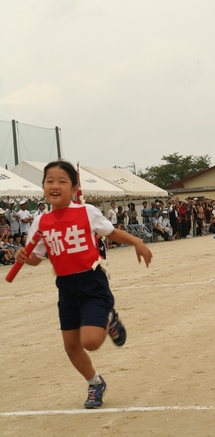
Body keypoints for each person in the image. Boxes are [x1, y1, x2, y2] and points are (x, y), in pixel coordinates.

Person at [15, 160, 152, 409]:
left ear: (75, 188)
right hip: (66, 287)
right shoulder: (40, 222)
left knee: (90, 341)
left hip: (92, 282)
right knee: (71, 347)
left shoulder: (86, 211)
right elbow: (35, 259)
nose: (55, 186)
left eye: (62, 181)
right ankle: (95, 383)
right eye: (49, 181)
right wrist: (24, 257)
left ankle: (108, 318)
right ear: (43, 186)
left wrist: (137, 242)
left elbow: (111, 232)